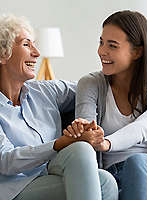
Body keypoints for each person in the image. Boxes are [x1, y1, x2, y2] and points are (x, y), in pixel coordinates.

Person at [64, 10, 147, 200]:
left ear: (137, 52)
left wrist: (106, 143)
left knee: (140, 164)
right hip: (118, 177)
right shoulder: (91, 84)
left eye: (112, 45)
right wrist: (87, 134)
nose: (102, 51)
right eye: (101, 42)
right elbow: (87, 127)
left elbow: (142, 128)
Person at [0, 14, 119, 200]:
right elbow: (5, 161)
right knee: (81, 151)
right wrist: (60, 143)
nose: (37, 53)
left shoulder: (45, 91)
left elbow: (92, 86)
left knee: (106, 181)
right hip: (14, 189)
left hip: (50, 174)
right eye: (26, 44)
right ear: (2, 54)